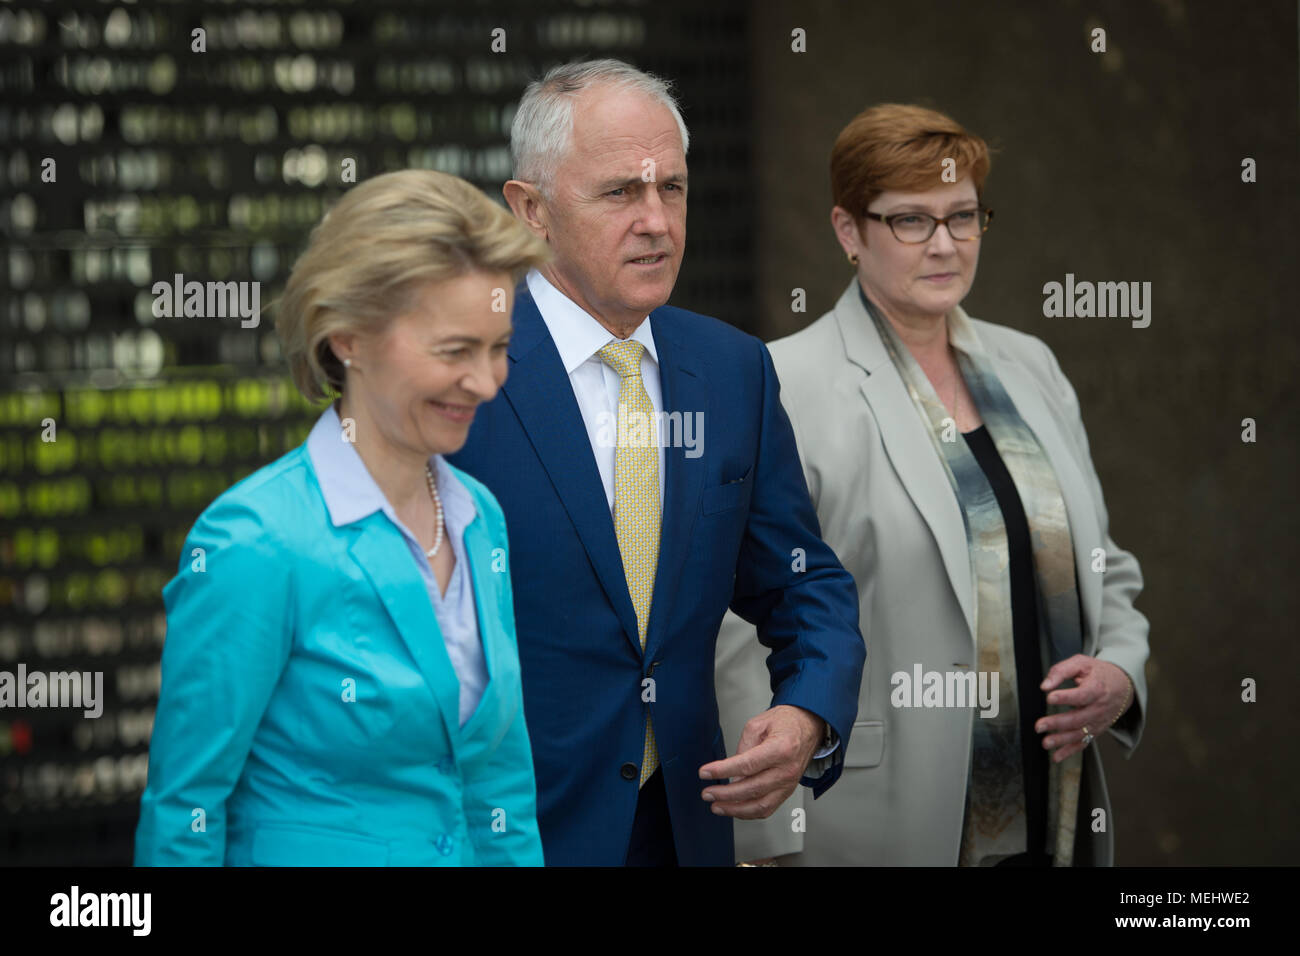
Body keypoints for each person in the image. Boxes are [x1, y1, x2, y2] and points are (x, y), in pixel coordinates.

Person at [447, 58, 865, 866]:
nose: (657, 222)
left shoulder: (732, 368)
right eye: (620, 193)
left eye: (670, 189)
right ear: (530, 210)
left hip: (683, 825)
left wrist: (807, 709)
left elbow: (802, 578)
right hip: (509, 834)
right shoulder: (463, 378)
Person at [716, 104, 1150, 866]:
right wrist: (766, 831)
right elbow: (740, 623)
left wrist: (1121, 666)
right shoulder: (783, 382)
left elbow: (1103, 563)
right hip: (872, 815)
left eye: (964, 216)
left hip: (1054, 804)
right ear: (850, 231)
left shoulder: (1031, 367)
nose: (946, 244)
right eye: (911, 221)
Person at [135, 169, 551, 866]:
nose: (485, 381)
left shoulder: (481, 517)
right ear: (346, 338)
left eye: (499, 347)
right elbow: (186, 811)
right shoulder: (254, 540)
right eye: (455, 350)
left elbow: (496, 784)